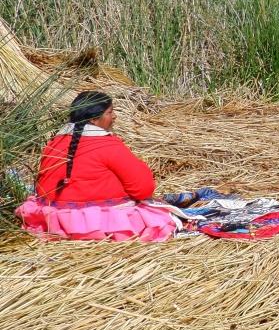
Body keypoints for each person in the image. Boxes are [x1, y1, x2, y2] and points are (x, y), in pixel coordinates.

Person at [16, 91, 176, 242]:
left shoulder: (54, 143)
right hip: (98, 225)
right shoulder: (107, 145)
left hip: (52, 221)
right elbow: (143, 189)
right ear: (93, 120)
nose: (114, 116)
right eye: (109, 112)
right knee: (158, 216)